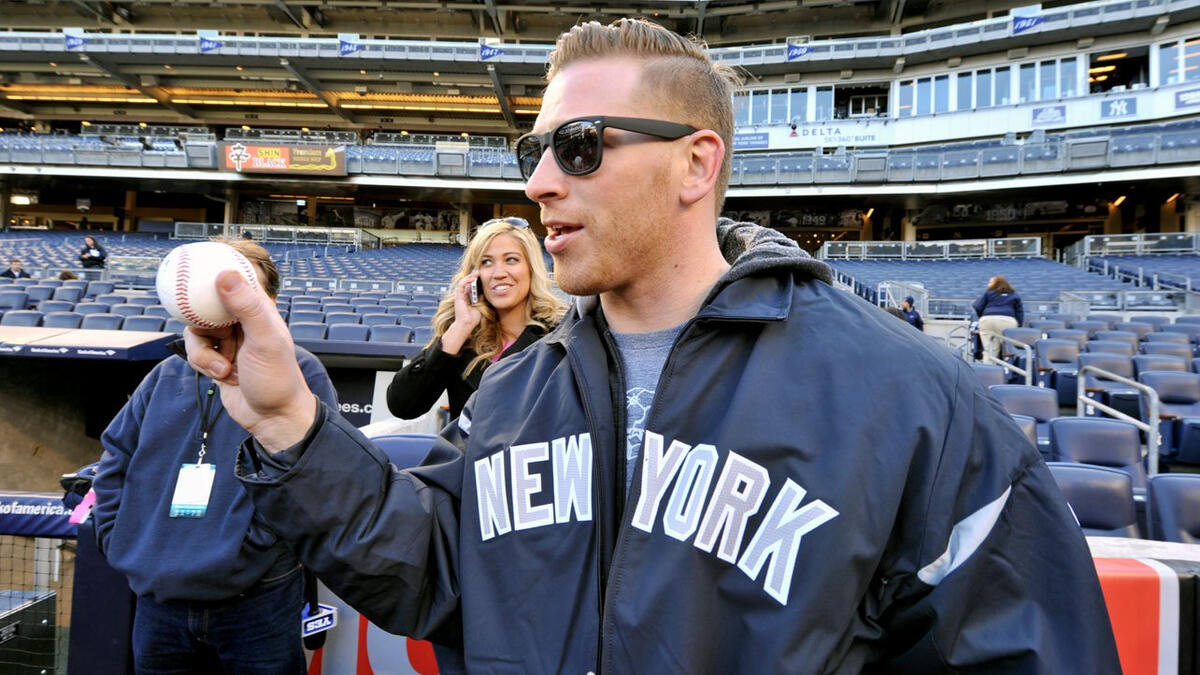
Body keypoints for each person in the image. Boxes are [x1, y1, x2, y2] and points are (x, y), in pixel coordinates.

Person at [185, 19, 1119, 673]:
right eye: (534, 151)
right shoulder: (517, 388)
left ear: (696, 163)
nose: (543, 181)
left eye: (581, 145)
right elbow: (431, 571)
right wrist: (289, 424)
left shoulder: (913, 398)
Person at [93, 239, 338, 674]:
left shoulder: (301, 372)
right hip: (160, 601)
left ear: (268, 303)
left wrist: (258, 551)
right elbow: (115, 459)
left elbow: (317, 477)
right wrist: (120, 538)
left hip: (257, 597)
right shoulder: (164, 374)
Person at [386, 217, 566, 420]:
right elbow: (402, 405)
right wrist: (461, 326)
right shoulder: (462, 338)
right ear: (474, 276)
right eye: (486, 262)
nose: (498, 273)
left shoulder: (561, 334)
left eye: (511, 260)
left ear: (531, 268)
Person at [973, 275, 1023, 360]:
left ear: (996, 283)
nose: (988, 284)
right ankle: (1007, 371)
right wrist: (1018, 325)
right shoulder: (1014, 295)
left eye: (990, 282)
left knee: (989, 351)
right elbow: (1019, 312)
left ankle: (988, 372)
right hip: (1007, 321)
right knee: (1008, 351)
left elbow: (977, 305)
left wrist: (984, 315)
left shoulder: (989, 293)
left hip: (987, 320)